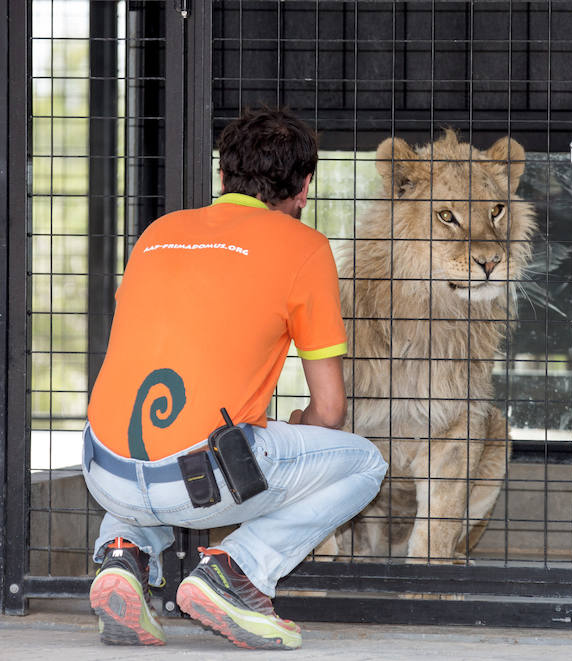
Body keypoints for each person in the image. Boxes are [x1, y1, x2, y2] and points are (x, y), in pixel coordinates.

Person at [82, 107, 387, 650]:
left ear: (222, 175)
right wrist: (302, 428)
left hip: (103, 469)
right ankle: (237, 571)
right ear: (305, 188)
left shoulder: (159, 232)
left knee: (154, 442)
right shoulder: (305, 247)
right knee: (366, 463)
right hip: (200, 480)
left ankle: (121, 554)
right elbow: (330, 410)